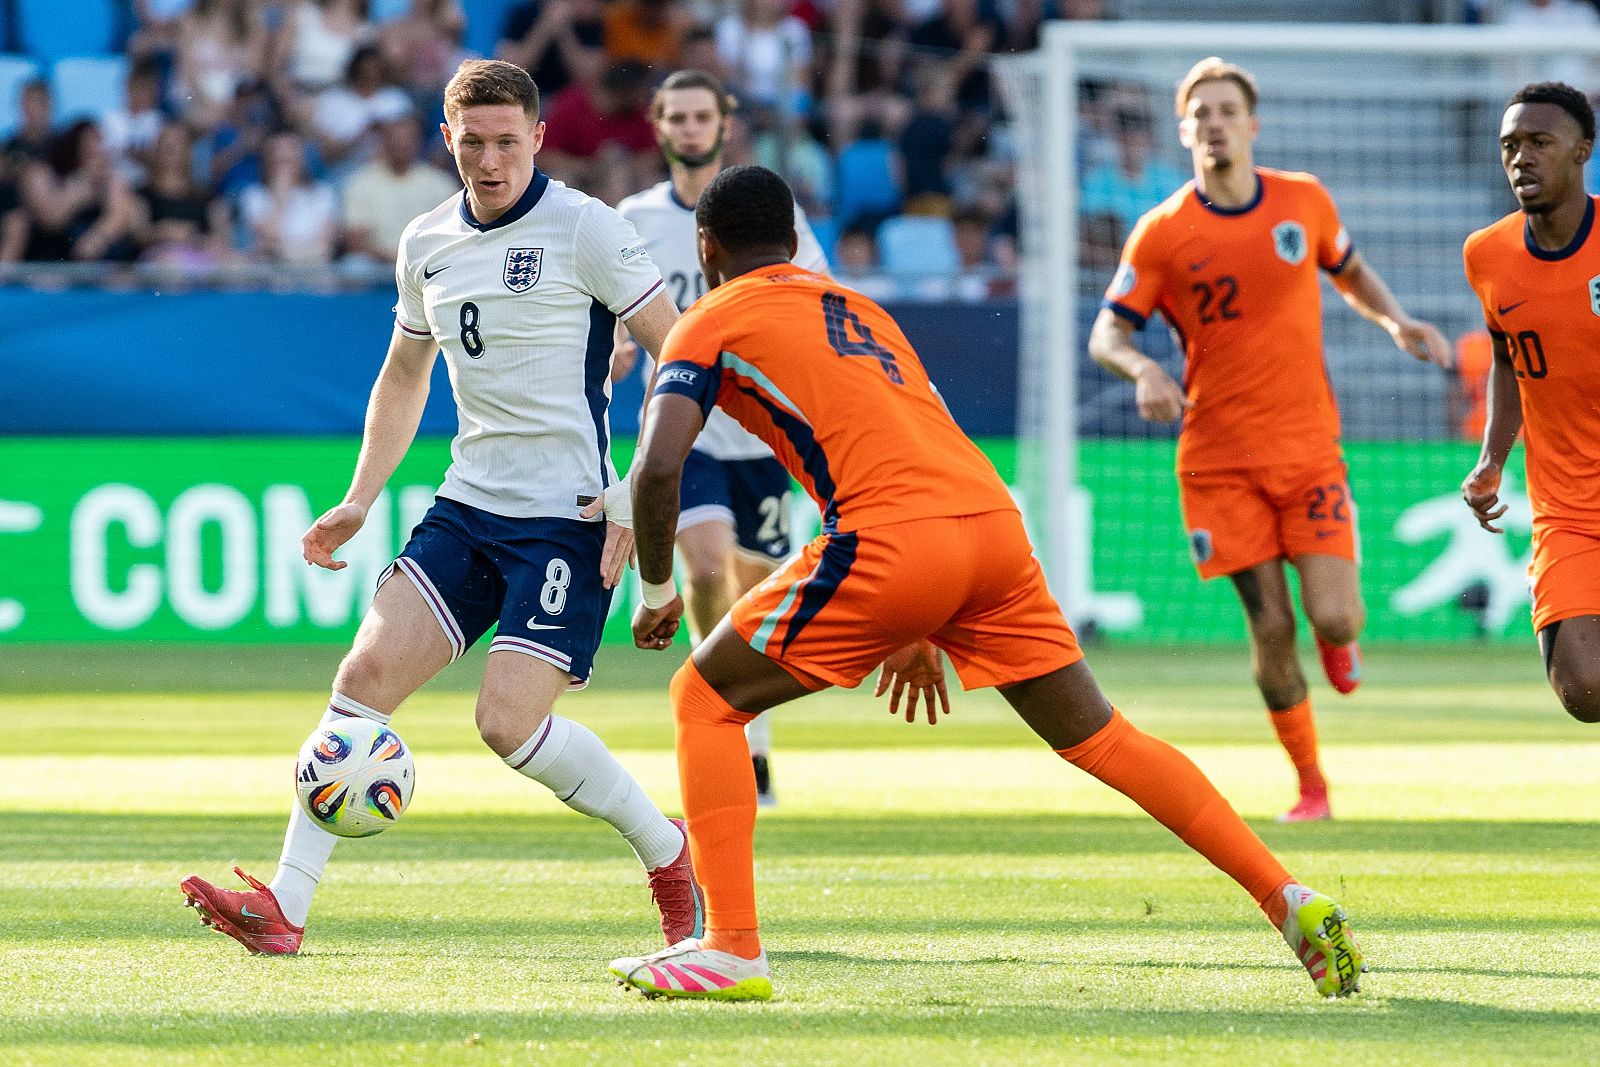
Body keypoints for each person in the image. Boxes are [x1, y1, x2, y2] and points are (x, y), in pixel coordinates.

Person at [605, 164, 1365, 1002]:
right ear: (794, 240)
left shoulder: (707, 319)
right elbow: (910, 439)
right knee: (1104, 737)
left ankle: (732, 947)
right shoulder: (863, 310)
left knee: (703, 699)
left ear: (704, 248)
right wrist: (923, 617)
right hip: (991, 528)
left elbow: (656, 468)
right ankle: (1283, 893)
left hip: (890, 538)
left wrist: (655, 589)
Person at [179, 59, 703, 956]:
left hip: (565, 518)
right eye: (474, 142)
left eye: (508, 141)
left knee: (506, 725)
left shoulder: (586, 228)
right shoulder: (426, 240)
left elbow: (685, 358)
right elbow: (405, 372)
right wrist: (358, 498)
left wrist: (631, 492)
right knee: (360, 685)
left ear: (539, 138)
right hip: (467, 505)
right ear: (447, 142)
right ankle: (286, 906)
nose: (491, 160)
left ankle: (671, 857)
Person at [1086, 57, 1452, 823]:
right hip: (1217, 463)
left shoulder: (1303, 200)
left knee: (1336, 618)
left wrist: (1396, 321)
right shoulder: (1161, 232)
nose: (1215, 123)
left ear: (1252, 126)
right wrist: (1144, 369)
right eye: (1201, 113)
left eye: (1228, 110)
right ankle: (1311, 785)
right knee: (1271, 626)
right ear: (1184, 131)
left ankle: (1340, 640)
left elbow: (1348, 269)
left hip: (1308, 447)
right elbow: (1107, 332)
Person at [615, 70, 830, 806]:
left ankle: (751, 727)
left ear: (724, 123)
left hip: (762, 435)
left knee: (756, 586)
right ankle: (732, 729)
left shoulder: (768, 213)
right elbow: (613, 319)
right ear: (659, 125)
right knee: (706, 567)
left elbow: (816, 302)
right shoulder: (632, 220)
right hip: (688, 422)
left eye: (702, 115)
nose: (690, 127)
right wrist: (614, 352)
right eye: (676, 115)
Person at [1462, 81, 1600, 724]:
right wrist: (1492, 456)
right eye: (1510, 146)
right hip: (1567, 509)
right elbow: (1507, 355)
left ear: (1582, 152)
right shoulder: (1487, 255)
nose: (1522, 158)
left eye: (1540, 143)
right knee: (1585, 692)